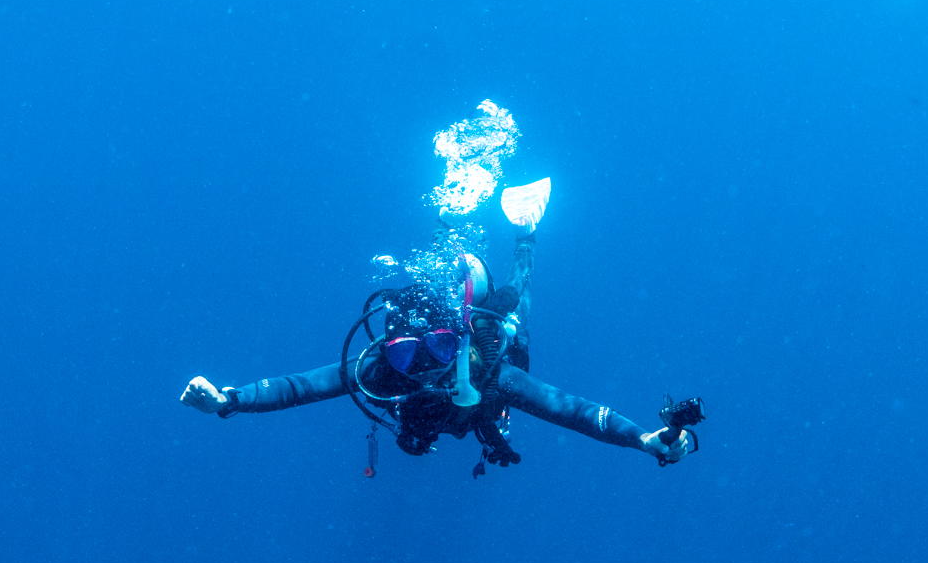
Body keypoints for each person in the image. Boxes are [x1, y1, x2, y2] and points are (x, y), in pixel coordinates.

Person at [180, 179, 694, 473]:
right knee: (467, 293)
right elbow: (301, 386)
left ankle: (525, 232)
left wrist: (643, 438)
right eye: (406, 352)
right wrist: (228, 400)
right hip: (459, 364)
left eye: (442, 346)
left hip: (488, 338)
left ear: (460, 338)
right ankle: (462, 232)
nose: (424, 365)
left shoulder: (488, 368)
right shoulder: (379, 369)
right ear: (389, 348)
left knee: (515, 307)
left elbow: (573, 411)